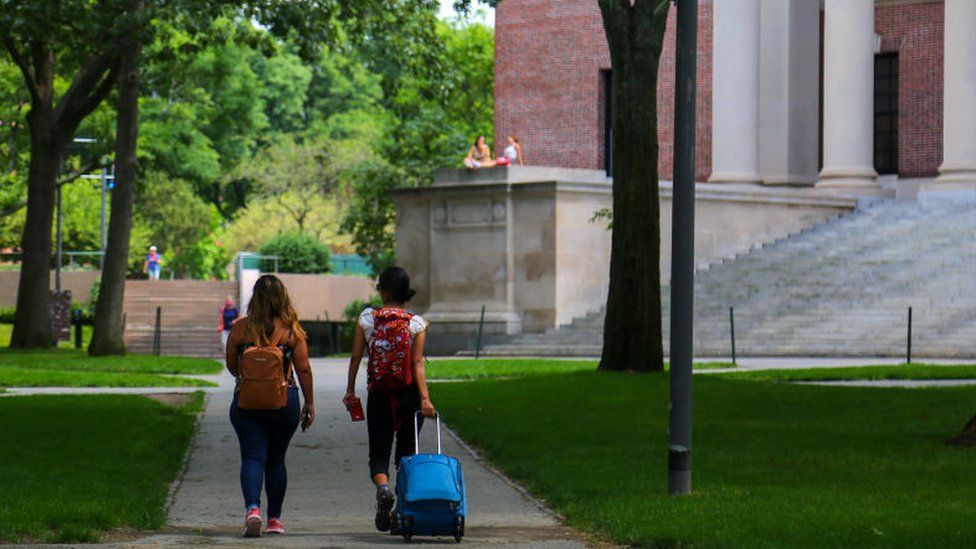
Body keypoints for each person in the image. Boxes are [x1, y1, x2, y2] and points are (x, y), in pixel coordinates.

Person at [343, 266, 435, 533]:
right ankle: (401, 509)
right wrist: (425, 399)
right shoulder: (415, 323)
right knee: (407, 454)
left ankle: (383, 488)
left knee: (378, 454)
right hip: (409, 395)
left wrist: (350, 389)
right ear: (406, 292)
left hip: (380, 394)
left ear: (382, 291)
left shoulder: (368, 320)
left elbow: (356, 357)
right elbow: (417, 363)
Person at [225, 275, 315, 537]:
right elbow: (304, 369)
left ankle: (253, 510)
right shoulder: (291, 331)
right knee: (275, 460)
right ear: (282, 298)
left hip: (247, 403)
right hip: (284, 401)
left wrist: (252, 379)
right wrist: (309, 403)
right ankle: (274, 519)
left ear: (255, 298)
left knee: (252, 456)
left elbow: (232, 366)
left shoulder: (240, 329)